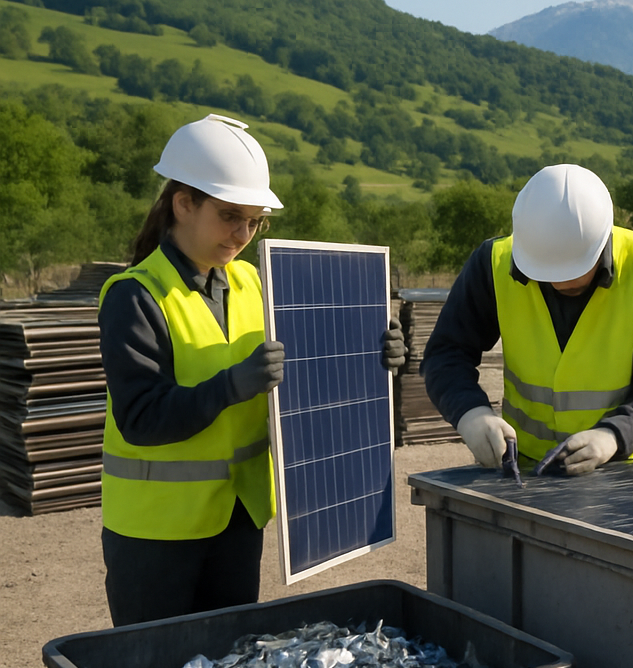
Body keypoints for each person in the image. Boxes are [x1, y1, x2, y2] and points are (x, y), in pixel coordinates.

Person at [97, 114, 407, 626]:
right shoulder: (135, 295)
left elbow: (310, 372)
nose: (243, 233)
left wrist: (373, 359)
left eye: (255, 221)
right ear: (183, 203)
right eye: (230, 216)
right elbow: (141, 419)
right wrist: (232, 385)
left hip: (239, 520)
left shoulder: (251, 283)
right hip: (155, 537)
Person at [422, 163, 633, 475]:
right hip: (526, 469)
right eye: (545, 273)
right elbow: (446, 353)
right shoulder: (493, 263)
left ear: (601, 242)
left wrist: (613, 435)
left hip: (629, 470)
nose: (558, 284)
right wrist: (470, 412)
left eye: (574, 271)